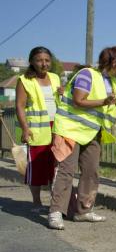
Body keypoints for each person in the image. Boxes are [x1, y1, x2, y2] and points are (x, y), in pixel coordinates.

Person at [47, 46, 116, 230]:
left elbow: (114, 111)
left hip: (92, 132)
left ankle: (83, 211)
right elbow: (78, 101)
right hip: (70, 129)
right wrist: (103, 101)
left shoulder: (113, 83)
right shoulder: (87, 75)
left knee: (91, 171)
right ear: (114, 62)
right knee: (67, 171)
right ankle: (56, 212)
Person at [15, 46, 63, 211]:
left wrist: (63, 93)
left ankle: (55, 203)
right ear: (32, 62)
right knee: (36, 167)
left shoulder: (55, 78)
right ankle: (36, 201)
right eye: (39, 60)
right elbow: (20, 106)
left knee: (55, 167)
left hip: (56, 128)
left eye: (47, 60)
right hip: (36, 130)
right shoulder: (24, 80)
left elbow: (60, 101)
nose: (44, 64)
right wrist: (24, 128)